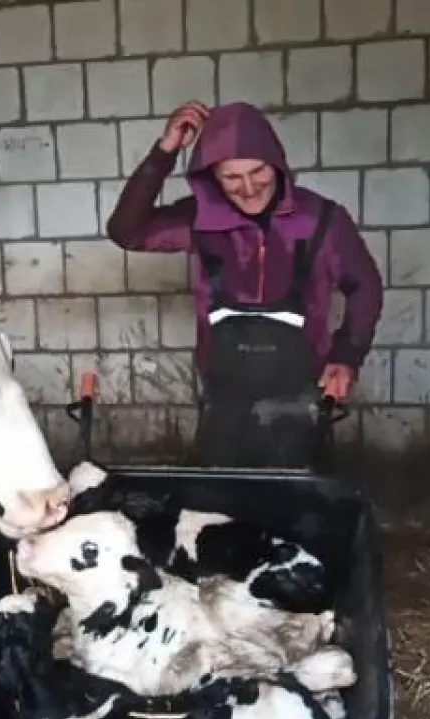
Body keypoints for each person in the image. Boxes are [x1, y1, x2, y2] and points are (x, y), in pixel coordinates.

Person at [106, 100, 384, 469]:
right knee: (219, 494)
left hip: (301, 396)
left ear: (277, 163)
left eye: (258, 171)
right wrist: (164, 152)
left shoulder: (322, 220)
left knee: (298, 495)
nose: (249, 188)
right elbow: (126, 232)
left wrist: (347, 356)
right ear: (211, 175)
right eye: (232, 177)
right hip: (223, 395)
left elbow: (366, 286)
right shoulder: (199, 218)